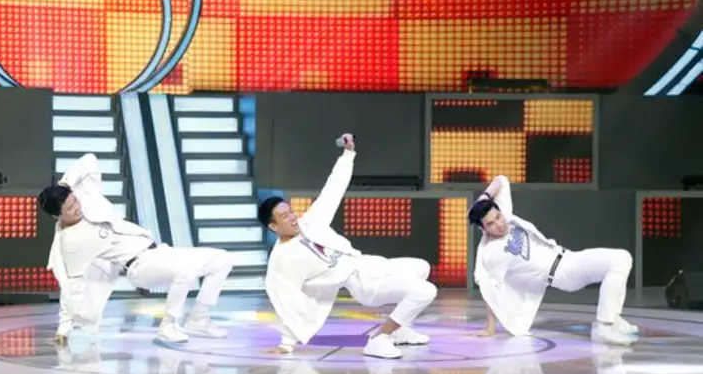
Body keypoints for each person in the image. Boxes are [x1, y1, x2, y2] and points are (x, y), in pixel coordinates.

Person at [257, 133, 437, 359]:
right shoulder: (283, 258)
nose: (293, 217)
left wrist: (348, 154)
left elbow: (332, 191)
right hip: (364, 285)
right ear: (273, 226)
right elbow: (287, 300)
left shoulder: (309, 223)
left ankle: (400, 329)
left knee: (421, 267)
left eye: (290, 211)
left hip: (371, 266)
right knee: (426, 291)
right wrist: (287, 343)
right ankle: (379, 338)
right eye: (285, 216)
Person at [38, 153, 232, 344]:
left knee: (222, 260)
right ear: (57, 216)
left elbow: (89, 160)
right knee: (185, 272)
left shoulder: (85, 198)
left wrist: (66, 184)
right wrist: (64, 327)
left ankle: (199, 317)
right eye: (70, 209)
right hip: (139, 267)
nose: (76, 207)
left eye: (74, 201)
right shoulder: (71, 242)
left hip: (159, 251)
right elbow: (71, 285)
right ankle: (168, 325)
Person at [468, 175, 639, 345]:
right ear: (483, 228)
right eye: (490, 224)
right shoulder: (493, 253)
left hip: (568, 257)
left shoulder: (505, 216)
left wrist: (484, 197)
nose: (499, 224)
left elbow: (501, 181)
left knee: (622, 259)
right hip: (563, 274)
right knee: (619, 260)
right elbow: (492, 290)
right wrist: (490, 327)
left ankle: (612, 319)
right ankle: (605, 326)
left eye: (498, 217)